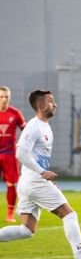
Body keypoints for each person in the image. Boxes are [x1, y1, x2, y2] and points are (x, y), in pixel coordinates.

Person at [0, 90, 81, 259]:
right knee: (69, 215)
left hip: (29, 182)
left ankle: (80, 257)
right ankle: (80, 256)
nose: (55, 104)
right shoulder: (34, 126)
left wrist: (44, 176)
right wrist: (42, 172)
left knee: (27, 230)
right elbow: (20, 153)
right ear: (40, 105)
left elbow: (34, 156)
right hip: (34, 181)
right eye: (51, 101)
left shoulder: (44, 126)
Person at [0, 86, 26, 222]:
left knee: (11, 184)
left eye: (6, 97)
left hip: (10, 154)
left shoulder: (15, 113)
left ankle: (10, 214)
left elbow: (26, 131)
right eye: (1, 97)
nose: (4, 99)